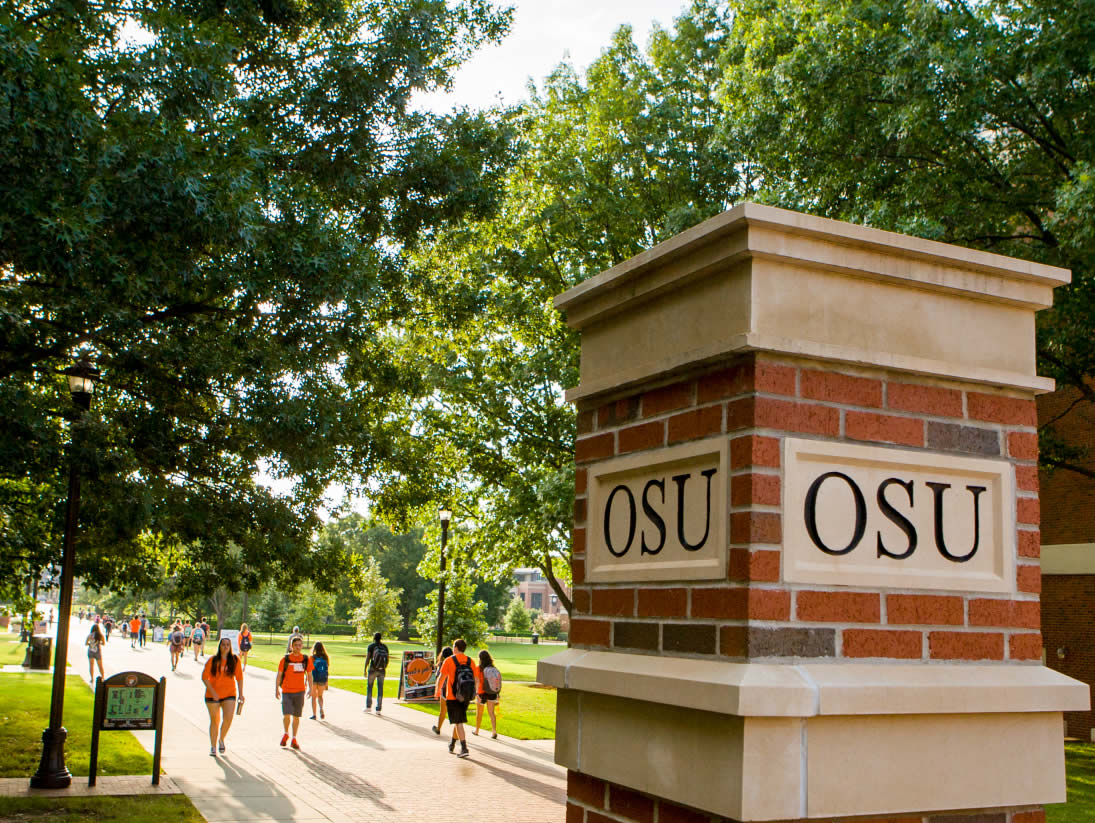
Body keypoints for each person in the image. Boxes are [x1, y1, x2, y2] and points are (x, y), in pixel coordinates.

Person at [436, 638, 481, 758]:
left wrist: (437, 691)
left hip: (452, 696)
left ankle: (464, 748)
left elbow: (441, 678)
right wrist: (474, 692)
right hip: (466, 695)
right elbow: (476, 679)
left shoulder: (449, 660)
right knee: (458, 720)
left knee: (458, 722)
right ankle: (452, 743)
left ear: (455, 648)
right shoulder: (470, 661)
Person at [202, 636, 245, 757]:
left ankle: (221, 739)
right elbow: (204, 677)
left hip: (229, 694)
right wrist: (213, 692)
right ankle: (213, 746)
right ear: (219, 646)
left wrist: (241, 694)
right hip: (212, 695)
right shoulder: (213, 660)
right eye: (223, 644)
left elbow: (240, 678)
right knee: (214, 721)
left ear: (230, 647)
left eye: (227, 645)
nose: (225, 647)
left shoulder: (235, 660)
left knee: (228, 718)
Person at [275, 634, 313, 750]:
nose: (297, 647)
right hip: (286, 691)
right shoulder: (285, 660)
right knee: (286, 715)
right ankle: (286, 733)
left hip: (300, 691)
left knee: (296, 716)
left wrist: (311, 688)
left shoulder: (305, 659)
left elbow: (310, 675)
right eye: (295, 645)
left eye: (299, 645)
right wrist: (276, 688)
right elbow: (279, 674)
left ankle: (294, 738)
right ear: (291, 646)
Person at [474, 649, 502, 739]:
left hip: (482, 693)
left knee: (479, 713)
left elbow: (477, 681)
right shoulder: (493, 668)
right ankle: (494, 731)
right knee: (491, 713)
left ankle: (477, 730)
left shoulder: (478, 668)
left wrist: (476, 693)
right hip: (492, 692)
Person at [364, 632, 389, 714]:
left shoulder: (371, 646)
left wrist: (365, 669)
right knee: (380, 688)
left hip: (372, 669)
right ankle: (378, 708)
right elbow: (387, 659)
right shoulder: (384, 647)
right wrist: (384, 667)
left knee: (370, 687)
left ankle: (368, 706)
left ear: (374, 638)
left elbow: (368, 658)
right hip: (382, 670)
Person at [431, 646, 453, 735]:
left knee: (443, 711)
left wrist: (437, 691)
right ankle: (457, 731)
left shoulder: (442, 664)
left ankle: (439, 728)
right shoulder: (455, 663)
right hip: (453, 689)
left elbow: (438, 677)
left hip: (444, 690)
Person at [309, 641, 330, 720]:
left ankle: (314, 715)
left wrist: (307, 681)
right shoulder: (325, 657)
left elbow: (309, 670)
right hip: (322, 679)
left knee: (314, 697)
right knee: (320, 696)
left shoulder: (312, 657)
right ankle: (321, 708)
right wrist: (326, 682)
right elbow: (327, 670)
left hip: (314, 679)